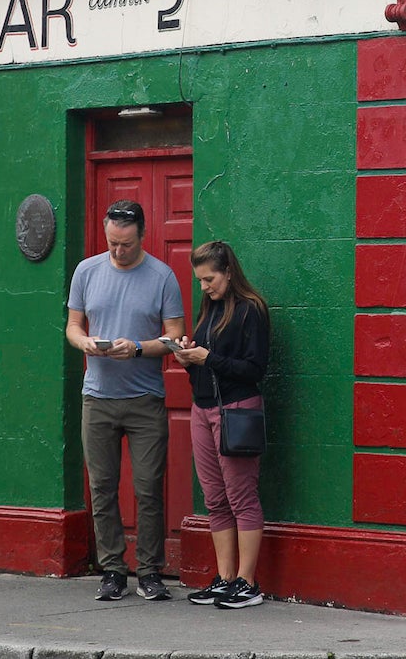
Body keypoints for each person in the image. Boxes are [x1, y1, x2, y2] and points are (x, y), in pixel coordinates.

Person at [65, 200, 185, 602]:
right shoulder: (87, 271)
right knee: (102, 487)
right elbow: (74, 325)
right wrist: (84, 342)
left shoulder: (163, 276)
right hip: (97, 397)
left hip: (145, 397)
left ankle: (150, 571)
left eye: (127, 245)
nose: (118, 252)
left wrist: (135, 348)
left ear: (142, 236)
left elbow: (174, 338)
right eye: (113, 243)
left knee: (149, 487)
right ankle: (113, 570)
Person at [171, 240, 270, 609]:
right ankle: (225, 578)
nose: (205, 287)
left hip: (237, 409)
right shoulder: (210, 307)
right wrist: (187, 358)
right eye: (199, 280)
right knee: (214, 499)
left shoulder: (251, 310)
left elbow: (254, 369)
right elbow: (208, 362)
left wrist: (208, 358)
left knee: (241, 495)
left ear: (229, 272)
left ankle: (248, 583)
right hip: (203, 409)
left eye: (210, 279)